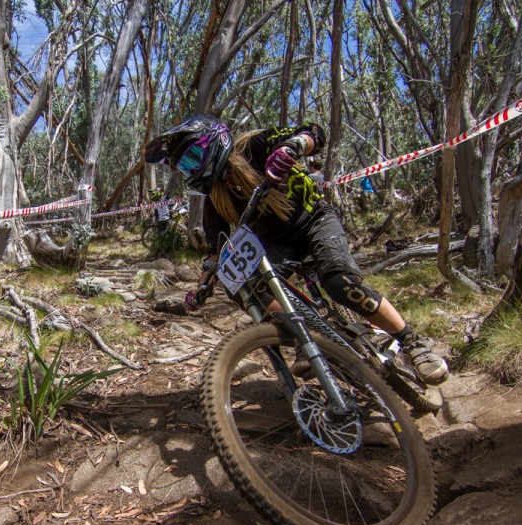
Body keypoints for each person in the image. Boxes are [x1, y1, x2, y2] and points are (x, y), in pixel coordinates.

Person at [145, 114, 449, 385]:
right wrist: (202, 287)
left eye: (193, 157)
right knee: (243, 285)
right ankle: (310, 339)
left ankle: (412, 342)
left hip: (314, 221)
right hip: (279, 245)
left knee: (338, 281)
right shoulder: (215, 199)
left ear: (214, 142)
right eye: (184, 166)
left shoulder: (255, 146)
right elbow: (217, 251)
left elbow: (314, 131)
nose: (191, 169)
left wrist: (292, 148)